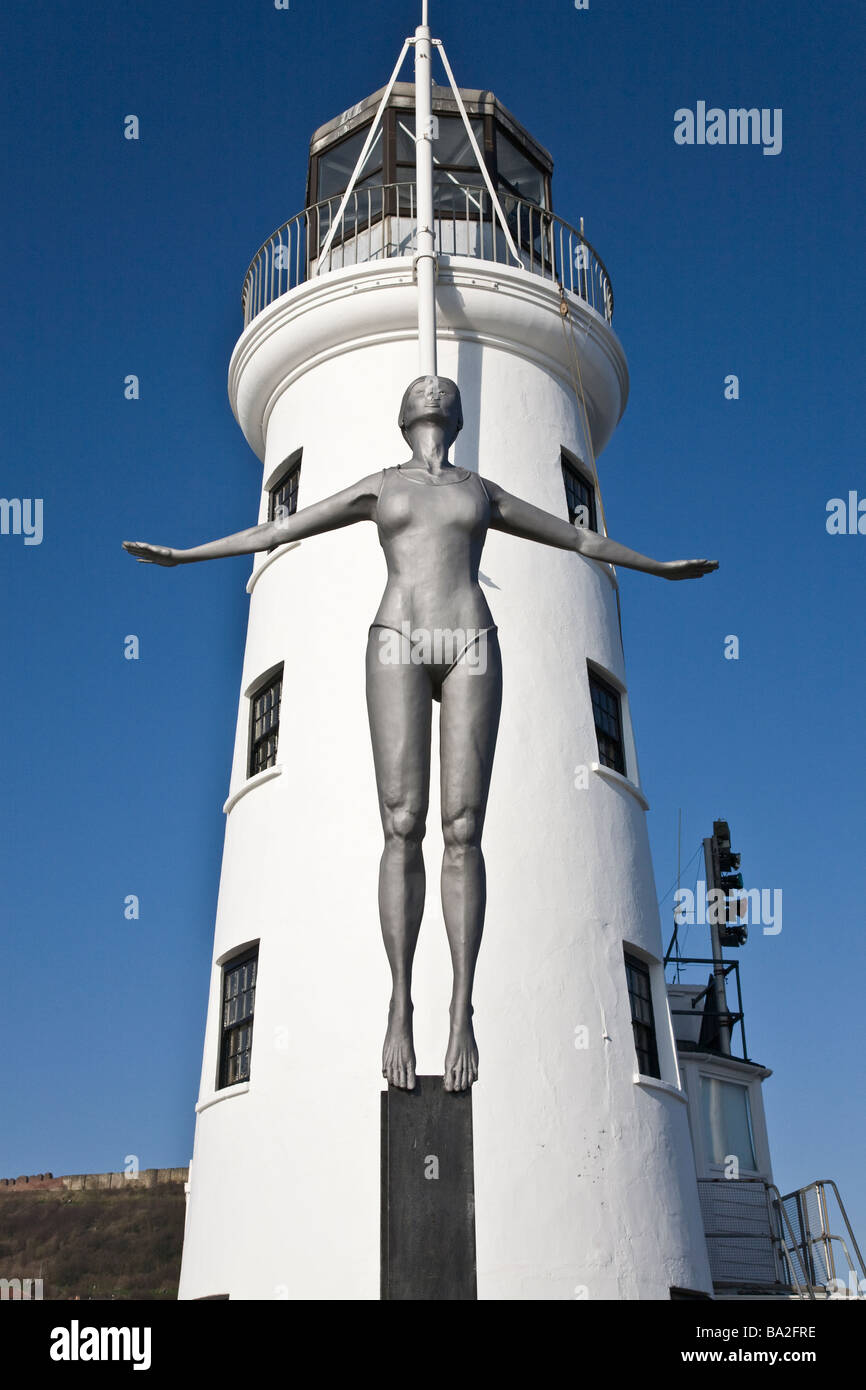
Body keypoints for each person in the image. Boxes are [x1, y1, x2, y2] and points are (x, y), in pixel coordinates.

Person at [124, 375, 717, 1091]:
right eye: (420, 388)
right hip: (396, 641)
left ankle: (461, 1011)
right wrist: (189, 556)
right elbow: (279, 528)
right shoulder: (380, 487)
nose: (432, 389)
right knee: (401, 823)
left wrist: (657, 567)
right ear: (404, 414)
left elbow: (575, 535)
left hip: (471, 640)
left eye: (442, 388)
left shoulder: (482, 490)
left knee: (463, 828)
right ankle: (400, 1004)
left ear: (456, 412)